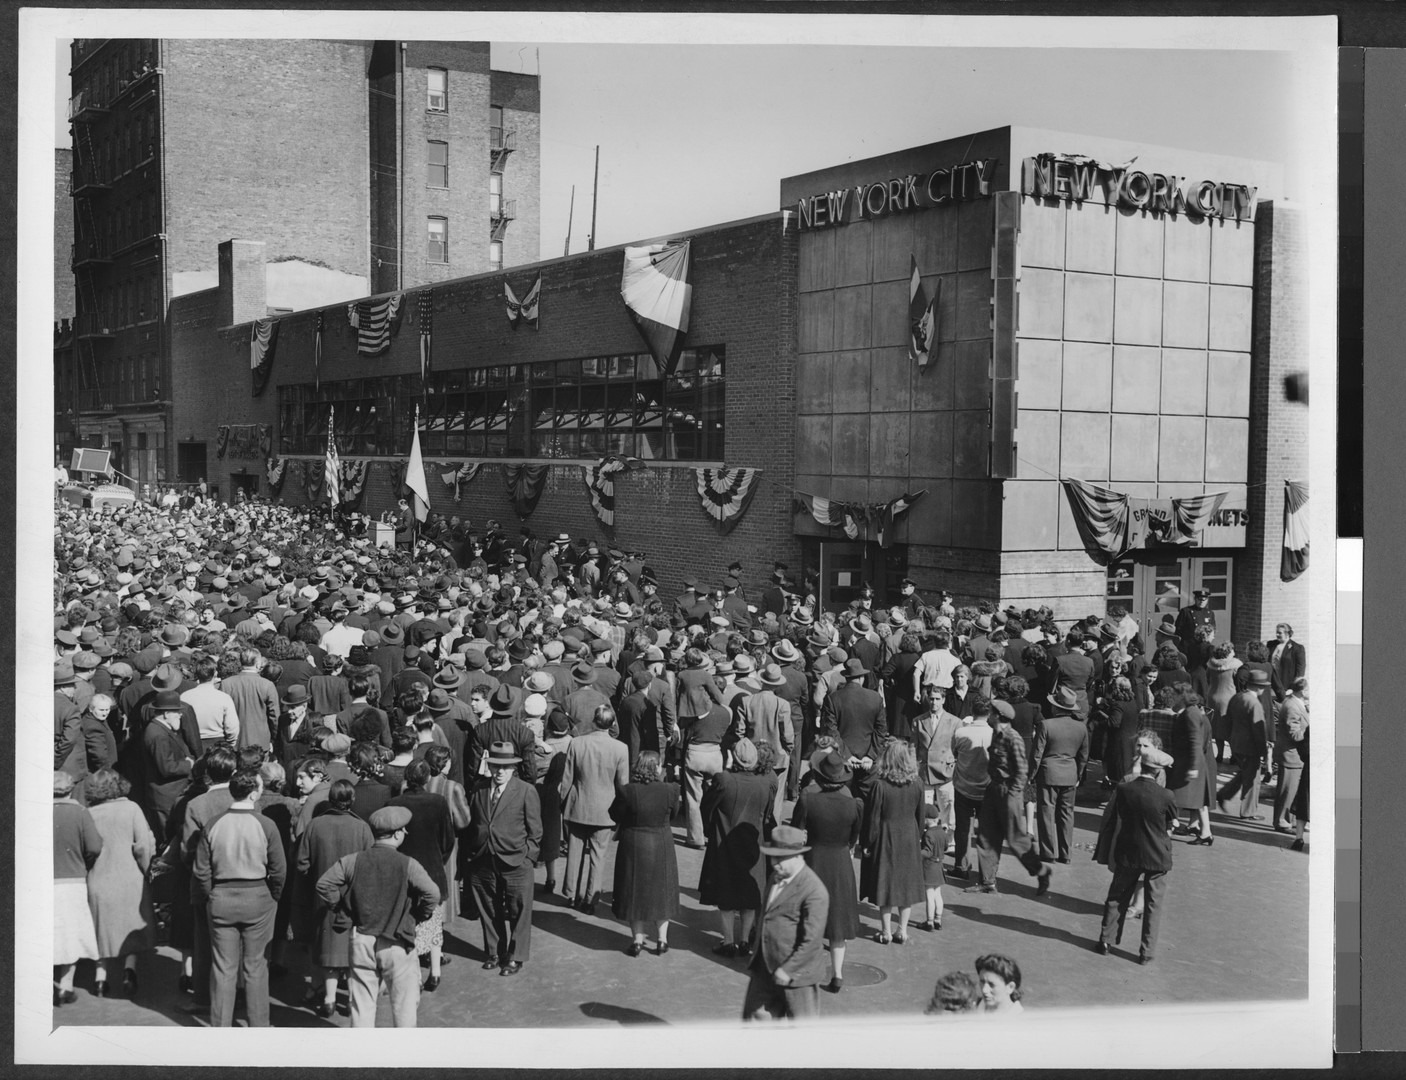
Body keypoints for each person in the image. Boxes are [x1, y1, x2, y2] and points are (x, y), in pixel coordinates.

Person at [315, 805, 441, 1028]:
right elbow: (432, 893)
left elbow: (324, 884)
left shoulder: (353, 860)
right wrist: (418, 915)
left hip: (362, 940)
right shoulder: (408, 864)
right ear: (397, 834)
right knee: (404, 1008)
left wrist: (341, 909)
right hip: (398, 942)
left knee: (362, 1007)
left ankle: (364, 1059)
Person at [191, 769, 287, 1027]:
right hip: (258, 897)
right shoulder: (266, 824)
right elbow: (279, 869)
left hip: (221, 897)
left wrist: (210, 895)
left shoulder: (213, 824)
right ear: (255, 793)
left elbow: (201, 871)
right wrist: (273, 896)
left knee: (223, 967)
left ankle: (221, 1027)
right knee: (256, 966)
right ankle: (258, 1026)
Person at [293, 778, 374, 1015]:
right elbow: (370, 864)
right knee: (351, 950)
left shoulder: (315, 825)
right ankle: (350, 1000)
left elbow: (302, 863)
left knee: (328, 947)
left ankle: (328, 999)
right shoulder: (362, 828)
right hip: (353, 898)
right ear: (352, 800)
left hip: (322, 897)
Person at [1094, 741, 1178, 964]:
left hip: (1128, 851)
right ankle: (1146, 952)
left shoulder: (1123, 789)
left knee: (1117, 897)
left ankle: (1106, 940)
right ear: (1158, 770)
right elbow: (1170, 823)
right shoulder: (1166, 795)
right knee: (1153, 905)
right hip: (1157, 854)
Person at [464, 742, 542, 976]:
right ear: (489, 766)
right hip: (484, 859)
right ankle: (495, 952)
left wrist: (528, 857)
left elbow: (536, 830)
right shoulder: (478, 789)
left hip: (516, 860)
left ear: (513, 768)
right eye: (496, 766)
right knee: (489, 908)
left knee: (519, 910)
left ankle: (516, 956)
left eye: (505, 767)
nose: (500, 772)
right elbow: (473, 823)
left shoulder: (526, 791)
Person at [789, 749, 861, 992]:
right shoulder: (853, 803)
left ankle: (807, 970)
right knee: (837, 925)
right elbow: (853, 838)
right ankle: (837, 975)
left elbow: (796, 830)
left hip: (813, 860)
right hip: (841, 863)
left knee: (809, 919)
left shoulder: (809, 798)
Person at [741, 825, 830, 1022]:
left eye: (781, 858)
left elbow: (812, 941)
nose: (775, 864)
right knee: (754, 1021)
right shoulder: (775, 877)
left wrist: (787, 969)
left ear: (798, 857)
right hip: (765, 967)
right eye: (773, 857)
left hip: (798, 976)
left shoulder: (814, 891)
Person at [699, 737, 777, 958]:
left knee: (726, 895)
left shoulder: (724, 780)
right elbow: (768, 815)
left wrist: (710, 828)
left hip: (724, 841)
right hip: (753, 842)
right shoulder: (765, 783)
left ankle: (728, 941)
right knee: (749, 894)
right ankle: (744, 941)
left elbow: (707, 806)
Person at [85, 768, 157, 998]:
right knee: (131, 929)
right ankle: (128, 971)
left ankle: (100, 979)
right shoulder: (131, 808)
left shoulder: (89, 813)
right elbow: (143, 845)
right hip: (129, 878)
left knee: (101, 931)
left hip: (98, 879)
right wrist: (147, 870)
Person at [969, 700, 1052, 896]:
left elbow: (1022, 771)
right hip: (994, 789)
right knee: (986, 835)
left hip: (1009, 793)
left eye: (990, 712)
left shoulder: (1012, 738)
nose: (987, 714)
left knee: (1016, 840)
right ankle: (987, 882)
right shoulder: (997, 735)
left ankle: (1041, 872)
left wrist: (1012, 795)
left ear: (997, 715)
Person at [386, 760, 455, 990]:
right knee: (434, 922)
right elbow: (448, 840)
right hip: (432, 869)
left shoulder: (394, 803)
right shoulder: (438, 802)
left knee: (409, 923)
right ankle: (434, 973)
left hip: (404, 871)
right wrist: (439, 859)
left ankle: (413, 974)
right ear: (427, 779)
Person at [558, 704, 629, 914]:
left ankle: (571, 894)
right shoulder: (620, 748)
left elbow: (567, 778)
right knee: (599, 857)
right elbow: (622, 785)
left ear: (593, 721)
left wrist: (564, 804)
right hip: (605, 810)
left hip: (578, 805)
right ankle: (591, 899)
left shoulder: (577, 743)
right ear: (612, 723)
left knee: (574, 853)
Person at [608, 751, 681, 956]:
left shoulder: (627, 791)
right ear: (657, 768)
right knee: (662, 894)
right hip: (662, 844)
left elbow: (614, 814)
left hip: (633, 845)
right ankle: (662, 940)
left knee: (634, 893)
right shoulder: (671, 790)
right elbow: (673, 815)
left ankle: (637, 941)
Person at [859, 740, 926, 945]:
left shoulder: (879, 785)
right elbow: (921, 816)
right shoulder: (917, 783)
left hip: (886, 837)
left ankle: (886, 931)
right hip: (909, 836)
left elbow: (873, 819)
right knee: (905, 887)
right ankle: (902, 930)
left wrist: (867, 843)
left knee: (885, 884)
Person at [54, 770, 103, 1006]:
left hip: (43, 880)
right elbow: (94, 846)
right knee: (71, 933)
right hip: (73, 879)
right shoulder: (80, 813)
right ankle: (65, 985)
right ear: (71, 788)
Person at [1031, 687, 1090, 864]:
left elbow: (1037, 753)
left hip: (1048, 772)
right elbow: (1084, 755)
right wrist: (1078, 775)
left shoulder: (1046, 725)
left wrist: (1031, 774)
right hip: (1070, 773)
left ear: (1056, 707)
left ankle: (1048, 852)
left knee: (1046, 812)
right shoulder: (1081, 728)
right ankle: (1066, 853)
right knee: (1067, 814)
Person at [1217, 669, 1270, 822]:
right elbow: (1259, 732)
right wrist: (1264, 753)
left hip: (1236, 743)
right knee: (1253, 780)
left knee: (1244, 773)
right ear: (1259, 687)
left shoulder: (1237, 697)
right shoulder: (1255, 704)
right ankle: (1248, 811)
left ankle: (1225, 793)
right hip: (1250, 747)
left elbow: (1227, 720)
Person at [948, 703, 994, 880]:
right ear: (988, 714)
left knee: (963, 829)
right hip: (988, 790)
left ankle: (961, 866)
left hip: (963, 787)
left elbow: (954, 753)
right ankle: (987, 874)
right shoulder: (995, 735)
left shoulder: (960, 733)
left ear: (972, 713)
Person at [1167, 690, 1216, 846]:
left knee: (1174, 797)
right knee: (1199, 801)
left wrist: (1193, 766)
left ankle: (1167, 830)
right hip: (1193, 762)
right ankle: (1205, 832)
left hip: (1189, 763)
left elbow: (1195, 741)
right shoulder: (1196, 714)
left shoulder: (1190, 714)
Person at [1275, 678, 1310, 833]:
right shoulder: (1293, 707)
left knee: (1294, 790)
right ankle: (1281, 821)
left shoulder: (1294, 702)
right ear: (1302, 691)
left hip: (1294, 755)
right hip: (1291, 754)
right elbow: (1294, 734)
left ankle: (1291, 820)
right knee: (1287, 790)